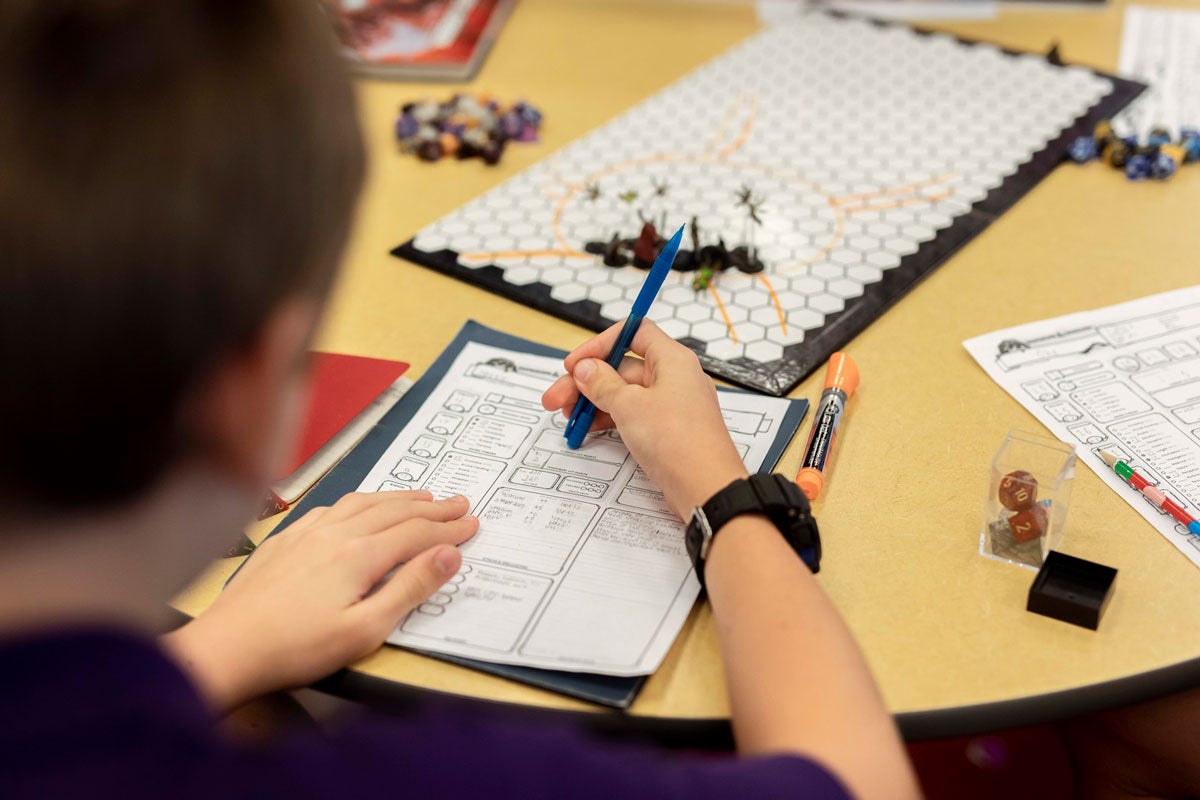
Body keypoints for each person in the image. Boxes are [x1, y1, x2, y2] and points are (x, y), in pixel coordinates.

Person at [0, 1, 919, 798]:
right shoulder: (439, 781)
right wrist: (725, 495)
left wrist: (209, 657)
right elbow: (861, 783)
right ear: (248, 389)